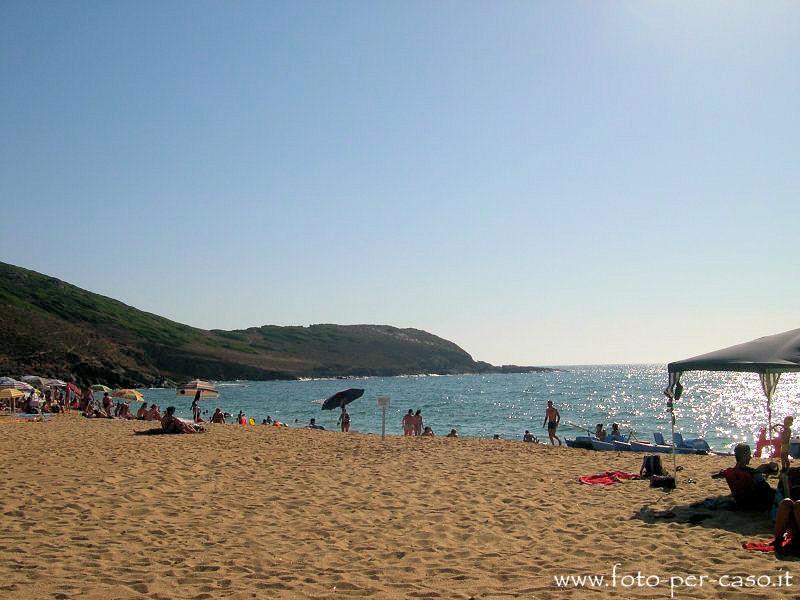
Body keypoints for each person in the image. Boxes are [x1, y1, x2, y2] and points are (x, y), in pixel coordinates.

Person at [718, 443, 775, 511]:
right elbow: (765, 488)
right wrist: (758, 473)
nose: (750, 457)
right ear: (744, 456)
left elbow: (723, 473)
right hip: (754, 504)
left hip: (740, 502)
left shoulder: (730, 472)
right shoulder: (749, 474)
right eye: (749, 454)